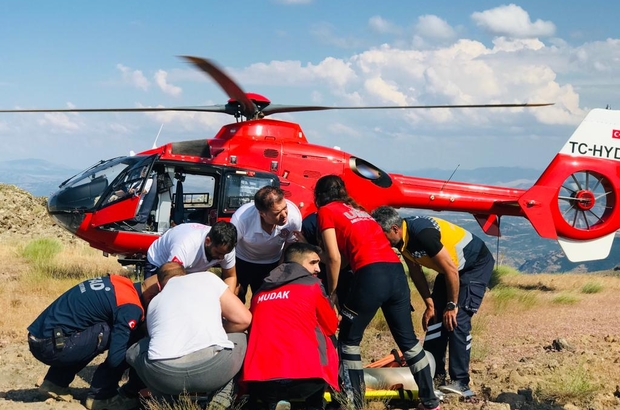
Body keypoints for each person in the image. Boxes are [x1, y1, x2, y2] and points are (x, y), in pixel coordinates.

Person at [314, 175, 440, 410]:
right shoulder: (358, 210)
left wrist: (331, 292)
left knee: (349, 342)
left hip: (371, 274)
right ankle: (431, 402)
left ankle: (354, 403)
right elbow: (345, 259)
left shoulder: (326, 211)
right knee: (409, 342)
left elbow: (333, 257)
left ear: (319, 196)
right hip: (395, 272)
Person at [371, 206, 495, 398]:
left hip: (473, 265)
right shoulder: (402, 241)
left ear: (395, 229)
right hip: (449, 271)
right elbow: (415, 271)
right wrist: (430, 304)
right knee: (435, 319)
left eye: (383, 235)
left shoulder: (422, 234)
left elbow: (452, 271)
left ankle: (461, 383)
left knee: (457, 321)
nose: (382, 241)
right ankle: (436, 376)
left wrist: (452, 305)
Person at [126, 262, 252, 409]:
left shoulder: (154, 301)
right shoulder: (208, 278)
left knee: (134, 351)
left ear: (160, 285)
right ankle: (221, 398)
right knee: (240, 336)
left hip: (164, 377)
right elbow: (244, 319)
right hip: (214, 372)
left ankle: (163, 398)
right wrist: (220, 330)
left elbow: (151, 336)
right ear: (184, 274)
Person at [27, 273, 161, 410]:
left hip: (42, 338)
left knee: (97, 328)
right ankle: (102, 397)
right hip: (49, 346)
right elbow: (115, 358)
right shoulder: (130, 307)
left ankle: (55, 383)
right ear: (153, 296)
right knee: (125, 337)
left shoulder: (121, 283)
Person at [242, 242, 339, 410]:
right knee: (327, 335)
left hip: (260, 380)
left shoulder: (259, 293)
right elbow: (330, 326)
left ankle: (274, 402)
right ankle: (316, 404)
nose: (318, 269)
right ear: (298, 263)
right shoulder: (312, 285)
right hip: (306, 378)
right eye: (313, 263)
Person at [231, 185, 302, 302]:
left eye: (285, 208)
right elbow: (230, 249)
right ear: (262, 214)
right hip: (242, 261)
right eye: (277, 213)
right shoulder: (242, 219)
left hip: (272, 262)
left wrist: (281, 267)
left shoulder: (294, 217)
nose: (284, 215)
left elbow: (290, 244)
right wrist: (234, 278)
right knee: (236, 297)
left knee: (265, 300)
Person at [144, 221, 238, 292]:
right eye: (218, 253)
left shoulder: (226, 247)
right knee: (152, 301)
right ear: (208, 241)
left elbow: (230, 277)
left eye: (224, 254)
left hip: (190, 265)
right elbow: (169, 283)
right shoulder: (185, 246)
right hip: (160, 263)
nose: (222, 258)